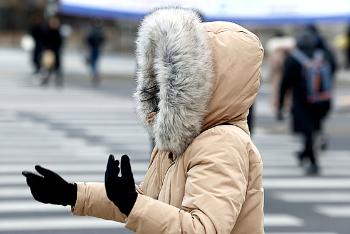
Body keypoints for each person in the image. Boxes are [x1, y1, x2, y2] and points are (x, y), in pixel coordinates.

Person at [22, 8, 264, 233]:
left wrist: (131, 202)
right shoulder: (185, 138)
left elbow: (200, 228)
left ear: (206, 82)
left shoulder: (222, 144)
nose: (162, 84)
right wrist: (73, 194)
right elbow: (150, 203)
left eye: (176, 75)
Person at [278, 29, 332, 175]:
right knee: (314, 129)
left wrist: (280, 106)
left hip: (302, 102)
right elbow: (332, 71)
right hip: (322, 101)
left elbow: (285, 84)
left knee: (307, 132)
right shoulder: (324, 55)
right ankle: (305, 153)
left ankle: (313, 161)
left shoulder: (294, 58)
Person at [40, 17, 63, 87]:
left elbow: (60, 42)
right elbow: (43, 40)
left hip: (55, 51)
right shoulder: (47, 31)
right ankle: (45, 80)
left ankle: (57, 81)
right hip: (48, 51)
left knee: (56, 68)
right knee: (46, 67)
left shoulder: (57, 32)